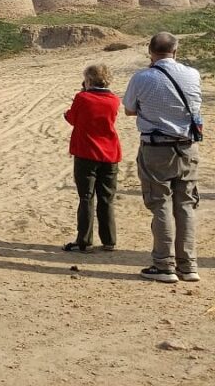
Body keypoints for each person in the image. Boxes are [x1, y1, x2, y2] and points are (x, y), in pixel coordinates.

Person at [124, 32, 204, 283]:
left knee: (160, 204)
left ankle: (164, 265)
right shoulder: (192, 74)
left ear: (150, 51)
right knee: (186, 205)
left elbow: (129, 110)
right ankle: (188, 266)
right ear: (176, 51)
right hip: (187, 148)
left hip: (156, 148)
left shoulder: (142, 77)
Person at [62, 64, 122, 253]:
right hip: (110, 153)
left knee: (86, 197)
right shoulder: (114, 99)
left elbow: (72, 118)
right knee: (106, 198)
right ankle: (109, 240)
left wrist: (72, 105)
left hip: (87, 153)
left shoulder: (83, 98)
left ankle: (84, 240)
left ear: (88, 80)